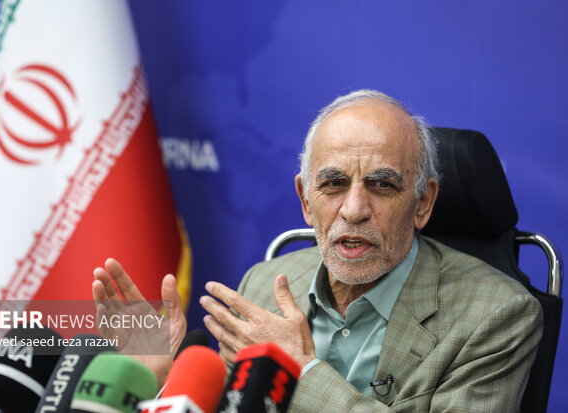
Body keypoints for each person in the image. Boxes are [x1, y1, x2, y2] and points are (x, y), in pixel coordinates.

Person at [93, 90, 543, 412]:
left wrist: (304, 372)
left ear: (423, 202)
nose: (354, 210)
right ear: (306, 202)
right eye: (333, 184)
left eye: (382, 185)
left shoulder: (497, 315)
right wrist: (159, 382)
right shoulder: (263, 284)